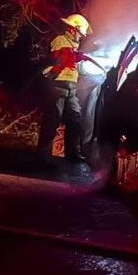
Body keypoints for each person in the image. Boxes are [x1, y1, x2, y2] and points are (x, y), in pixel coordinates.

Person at [36, 14, 93, 164]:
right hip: (56, 85)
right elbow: (57, 60)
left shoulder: (75, 46)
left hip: (71, 88)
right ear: (74, 29)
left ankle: (73, 155)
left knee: (75, 119)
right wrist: (71, 56)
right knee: (52, 120)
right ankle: (43, 156)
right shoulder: (60, 40)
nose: (81, 37)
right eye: (80, 34)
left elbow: (77, 68)